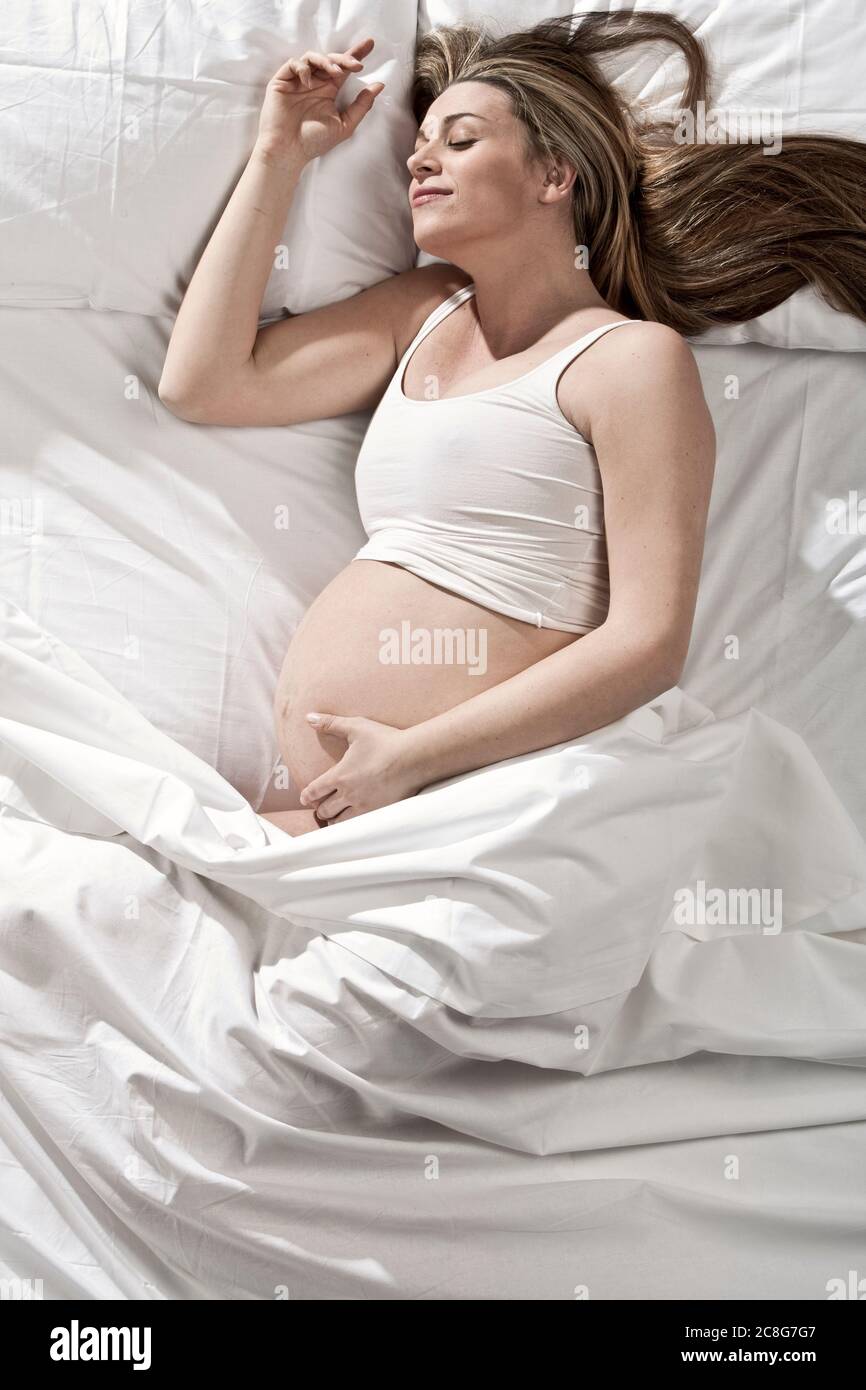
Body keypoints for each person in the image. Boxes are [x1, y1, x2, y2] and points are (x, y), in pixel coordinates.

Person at [158, 13, 866, 834]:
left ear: (553, 175)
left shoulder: (631, 360)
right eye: (420, 143)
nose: (420, 158)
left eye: (459, 140)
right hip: (374, 814)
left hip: (495, 794)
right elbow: (204, 383)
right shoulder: (423, 311)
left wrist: (413, 757)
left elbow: (648, 643)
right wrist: (280, 155)